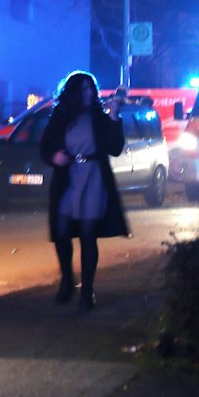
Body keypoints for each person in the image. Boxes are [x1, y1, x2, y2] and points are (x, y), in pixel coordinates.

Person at [38, 70, 128, 311]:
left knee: (88, 233)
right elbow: (45, 146)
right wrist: (54, 157)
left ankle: (88, 290)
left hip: (94, 176)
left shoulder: (99, 117)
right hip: (68, 177)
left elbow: (115, 148)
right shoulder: (61, 117)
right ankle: (67, 280)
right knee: (62, 230)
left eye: (91, 89)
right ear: (74, 93)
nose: (89, 93)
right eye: (84, 89)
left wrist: (114, 117)